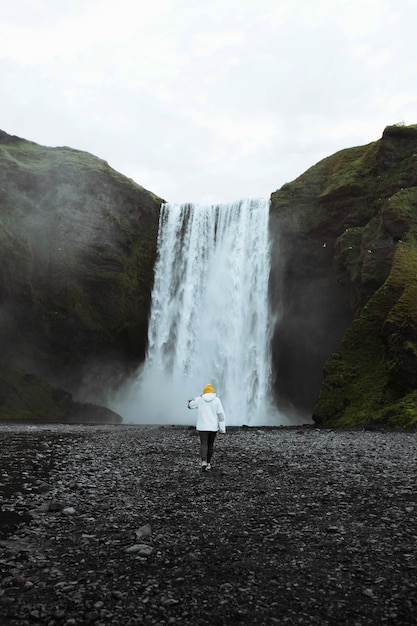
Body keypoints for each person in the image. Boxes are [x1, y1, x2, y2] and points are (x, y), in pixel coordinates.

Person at [187, 384, 226, 471]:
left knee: (203, 444)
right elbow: (220, 415)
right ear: (212, 392)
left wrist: (192, 400)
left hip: (202, 427)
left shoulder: (200, 399)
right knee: (210, 444)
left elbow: (190, 405)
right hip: (213, 427)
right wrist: (222, 428)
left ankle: (203, 461)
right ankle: (208, 463)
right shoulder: (217, 400)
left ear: (204, 392)